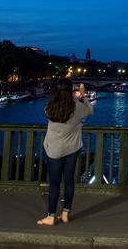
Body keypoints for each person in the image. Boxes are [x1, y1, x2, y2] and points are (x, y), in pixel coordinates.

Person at [37, 79, 94, 226]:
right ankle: (65, 214)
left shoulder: (49, 108)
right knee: (69, 181)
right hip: (72, 148)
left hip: (54, 149)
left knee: (54, 184)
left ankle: (50, 216)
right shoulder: (77, 108)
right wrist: (82, 95)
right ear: (71, 91)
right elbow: (90, 110)